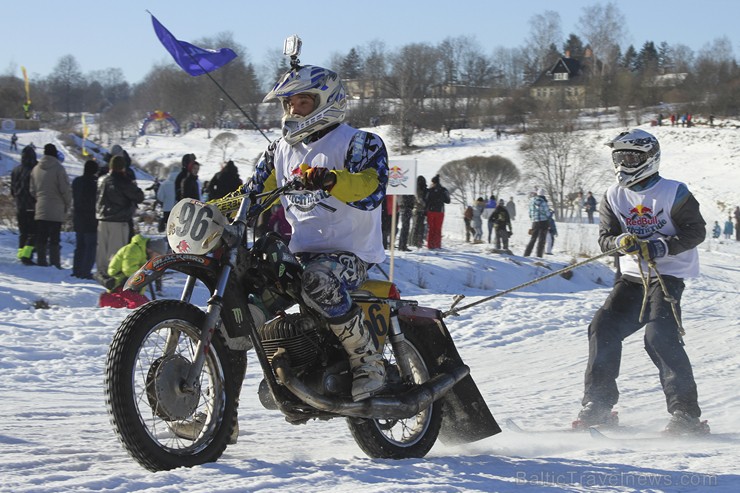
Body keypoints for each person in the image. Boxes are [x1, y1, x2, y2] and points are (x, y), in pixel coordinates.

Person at [246, 62, 389, 402]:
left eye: (302, 102)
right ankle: (276, 367)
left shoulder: (359, 143)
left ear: (327, 100)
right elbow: (252, 195)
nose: (293, 109)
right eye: (289, 103)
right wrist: (213, 210)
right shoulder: (278, 151)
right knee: (248, 289)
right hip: (301, 252)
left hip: (351, 255)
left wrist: (332, 179)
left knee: (318, 280)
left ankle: (368, 360)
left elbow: (370, 189)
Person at [576, 129, 707, 434]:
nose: (625, 162)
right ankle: (598, 404)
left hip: (668, 276)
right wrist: (620, 242)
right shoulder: (613, 195)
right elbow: (605, 239)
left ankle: (686, 414)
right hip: (632, 277)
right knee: (602, 327)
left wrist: (660, 246)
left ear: (650, 158)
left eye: (632, 156)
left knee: (659, 337)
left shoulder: (675, 192)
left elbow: (695, 231)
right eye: (620, 156)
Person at [96, 155, 145, 276]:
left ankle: (101, 272)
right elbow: (139, 196)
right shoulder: (124, 182)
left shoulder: (102, 180)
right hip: (119, 220)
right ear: (123, 167)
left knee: (102, 250)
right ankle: (113, 275)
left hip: (102, 218)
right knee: (116, 252)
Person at [29, 144, 72, 268]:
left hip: (41, 207)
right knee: (54, 238)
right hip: (56, 208)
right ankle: (55, 262)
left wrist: (40, 199)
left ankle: (41, 261)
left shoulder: (36, 168)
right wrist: (67, 203)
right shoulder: (59, 168)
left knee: (41, 237)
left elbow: (32, 190)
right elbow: (64, 189)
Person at [99, 235, 168, 309]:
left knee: (147, 305)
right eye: (157, 255)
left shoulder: (144, 254)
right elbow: (128, 270)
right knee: (139, 306)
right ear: (151, 250)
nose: (156, 258)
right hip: (120, 283)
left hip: (131, 285)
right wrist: (147, 275)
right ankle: (105, 299)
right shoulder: (133, 249)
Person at [10, 145, 38, 265]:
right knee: (34, 232)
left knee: (23, 232)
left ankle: (21, 254)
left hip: (19, 205)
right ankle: (27, 256)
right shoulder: (35, 169)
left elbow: (12, 189)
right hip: (32, 204)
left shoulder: (16, 170)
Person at [72, 160, 99, 279]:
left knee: (80, 246)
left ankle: (76, 269)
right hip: (91, 218)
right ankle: (85, 271)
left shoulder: (76, 181)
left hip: (78, 216)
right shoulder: (94, 184)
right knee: (91, 246)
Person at [425, 175, 450, 249]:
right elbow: (448, 201)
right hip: (440, 211)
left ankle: (430, 245)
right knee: (438, 229)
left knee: (431, 229)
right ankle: (437, 244)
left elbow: (426, 200)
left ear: (433, 182)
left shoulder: (430, 190)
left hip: (431, 211)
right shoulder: (444, 190)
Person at [523, 188, 549, 257]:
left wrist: (533, 218)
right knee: (541, 240)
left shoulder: (532, 201)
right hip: (543, 222)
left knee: (533, 238)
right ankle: (539, 255)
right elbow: (547, 213)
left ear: (537, 193)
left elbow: (530, 213)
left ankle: (526, 254)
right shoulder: (543, 202)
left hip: (534, 222)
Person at [156, 165, 179, 232]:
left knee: (169, 227)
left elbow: (160, 197)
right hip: (179, 208)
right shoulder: (182, 183)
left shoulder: (164, 184)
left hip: (167, 209)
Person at [410, 176, 427, 248]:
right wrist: (425, 204)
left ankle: (416, 241)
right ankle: (413, 242)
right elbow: (419, 198)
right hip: (418, 209)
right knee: (416, 226)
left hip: (418, 209)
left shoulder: (417, 188)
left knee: (417, 226)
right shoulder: (417, 189)